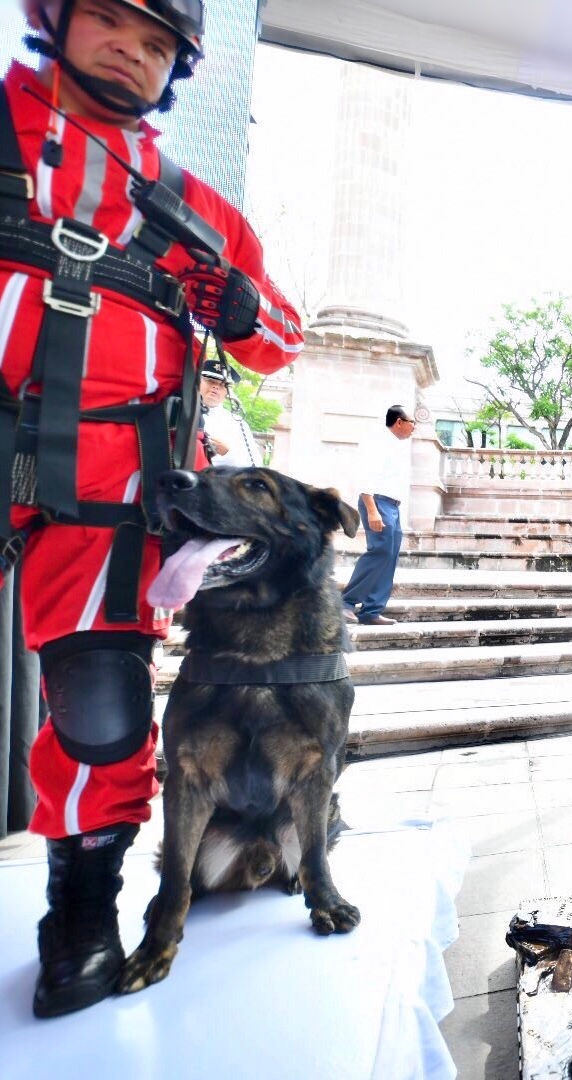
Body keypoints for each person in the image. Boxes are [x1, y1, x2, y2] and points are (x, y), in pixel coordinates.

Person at [0, 0, 303, 1018]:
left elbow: (281, 339)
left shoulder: (196, 205)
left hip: (112, 486)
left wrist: (244, 312)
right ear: (57, 16)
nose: (131, 46)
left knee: (99, 710)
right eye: (110, 17)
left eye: (158, 38)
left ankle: (80, 919)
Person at [342, 405, 415, 625]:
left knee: (389, 555)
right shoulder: (378, 441)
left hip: (392, 506)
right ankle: (345, 603)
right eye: (413, 422)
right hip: (378, 502)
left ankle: (371, 610)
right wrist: (372, 509)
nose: (414, 427)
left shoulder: (396, 446)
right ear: (399, 422)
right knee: (380, 551)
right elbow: (365, 476)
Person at [200, 358, 261, 466]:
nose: (216, 387)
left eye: (223, 385)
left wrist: (227, 454)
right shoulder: (178, 412)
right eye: (210, 381)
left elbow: (254, 466)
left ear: (228, 391)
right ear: (198, 382)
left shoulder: (238, 424)